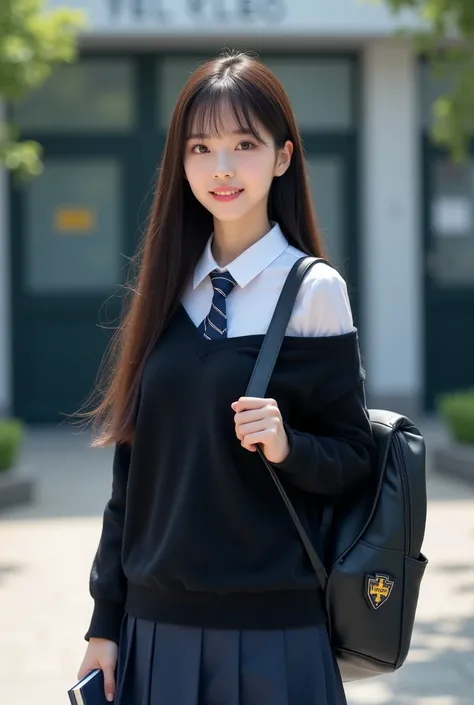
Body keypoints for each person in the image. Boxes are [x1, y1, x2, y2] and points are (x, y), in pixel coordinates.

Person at [76, 50, 375, 705]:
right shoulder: (163, 289)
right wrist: (105, 623)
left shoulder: (312, 291)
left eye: (244, 144)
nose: (222, 168)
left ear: (283, 157)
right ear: (179, 164)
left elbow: (355, 459)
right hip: (155, 629)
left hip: (275, 630)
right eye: (201, 146)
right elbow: (132, 477)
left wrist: (288, 444)